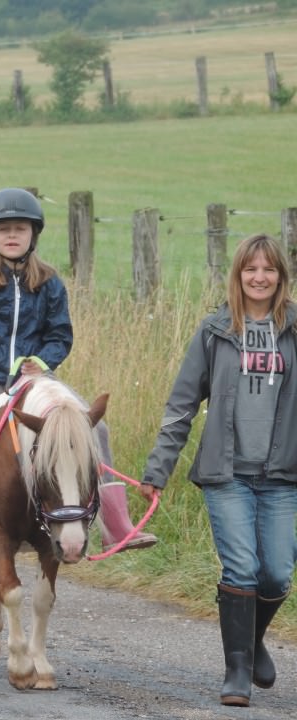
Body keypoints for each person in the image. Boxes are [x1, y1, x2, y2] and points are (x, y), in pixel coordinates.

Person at [0, 187, 156, 560]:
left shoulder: (50, 282)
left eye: (20, 228)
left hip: (38, 377)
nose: (12, 235)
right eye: (3, 230)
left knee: (97, 429)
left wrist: (44, 362)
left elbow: (61, 334)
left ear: (33, 234)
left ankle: (116, 527)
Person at [139, 233, 297, 708]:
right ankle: (238, 671)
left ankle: (251, 642)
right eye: (251, 269)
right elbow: (181, 405)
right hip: (225, 474)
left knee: (276, 575)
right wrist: (157, 470)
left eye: (269, 269)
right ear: (238, 274)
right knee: (243, 567)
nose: (260, 277)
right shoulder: (214, 331)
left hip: (282, 476)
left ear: (281, 277)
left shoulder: (295, 330)